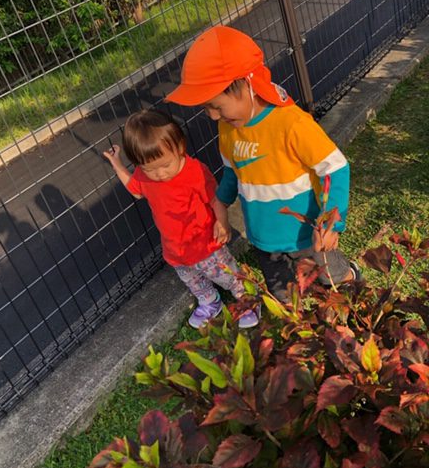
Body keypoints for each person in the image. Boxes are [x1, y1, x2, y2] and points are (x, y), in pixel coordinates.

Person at [165, 26, 360, 301]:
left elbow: (335, 168)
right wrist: (220, 204)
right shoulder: (228, 127)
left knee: (332, 278)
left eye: (217, 106)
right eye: (206, 108)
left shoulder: (290, 123)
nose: (213, 116)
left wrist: (331, 223)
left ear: (247, 85)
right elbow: (232, 171)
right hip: (264, 238)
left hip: (308, 235)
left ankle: (351, 277)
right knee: (284, 296)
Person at [104, 108, 259, 328]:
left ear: (179, 147)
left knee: (225, 272)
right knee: (192, 279)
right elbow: (136, 190)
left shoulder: (195, 172)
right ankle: (209, 301)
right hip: (175, 248)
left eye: (165, 165)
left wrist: (222, 222)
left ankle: (247, 297)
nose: (160, 174)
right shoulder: (144, 176)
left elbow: (216, 199)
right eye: (149, 169)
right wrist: (117, 164)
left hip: (204, 241)